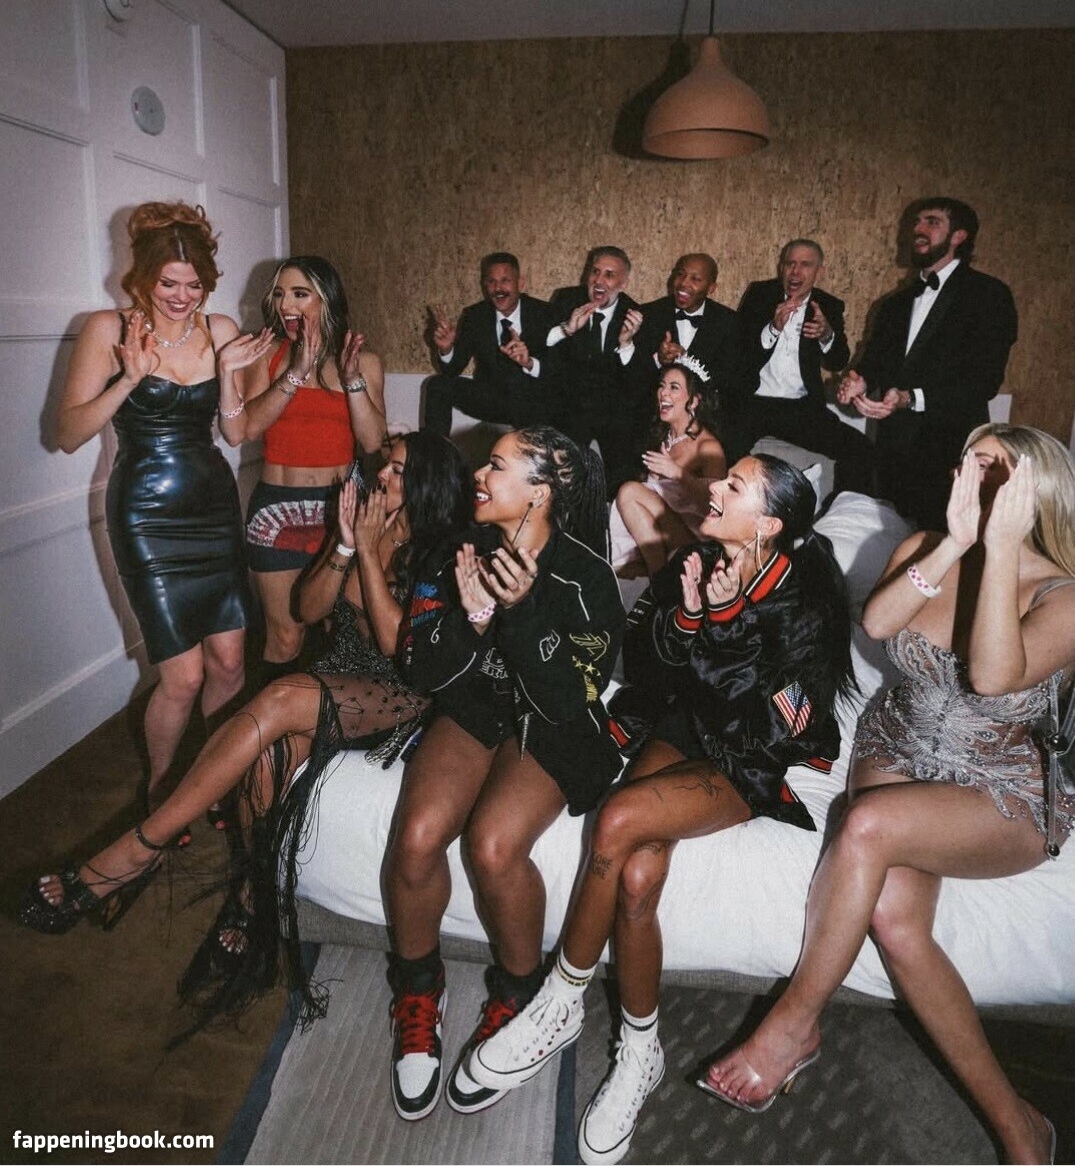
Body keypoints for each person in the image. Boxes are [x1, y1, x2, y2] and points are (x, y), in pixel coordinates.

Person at [699, 423, 1075, 1166]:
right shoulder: (925, 547)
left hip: (999, 782)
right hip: (898, 743)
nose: (974, 485)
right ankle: (1021, 1125)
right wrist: (953, 544)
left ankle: (794, 1024)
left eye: (995, 475)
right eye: (968, 469)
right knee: (896, 923)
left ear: (1037, 493)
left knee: (866, 828)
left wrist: (999, 549)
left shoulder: (1061, 596)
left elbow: (993, 676)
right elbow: (876, 622)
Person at [466, 454, 851, 1164]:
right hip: (683, 728)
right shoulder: (696, 561)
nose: (713, 488)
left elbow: (760, 725)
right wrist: (694, 614)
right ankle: (639, 1052)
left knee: (616, 820)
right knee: (638, 873)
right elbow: (652, 668)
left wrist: (722, 619)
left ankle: (560, 999)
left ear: (768, 524)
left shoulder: (808, 605)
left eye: (733, 486)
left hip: (747, 758)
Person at [20, 432, 472, 1024]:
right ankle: (252, 895)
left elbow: (397, 647)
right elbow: (307, 610)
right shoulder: (364, 520)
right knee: (266, 757)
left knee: (278, 697)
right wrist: (343, 542)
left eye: (397, 470)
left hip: (401, 692)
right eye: (386, 464)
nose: (381, 474)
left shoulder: (442, 552)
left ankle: (140, 847)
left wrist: (366, 550)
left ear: (427, 485)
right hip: (340, 676)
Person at [382, 426, 626, 1121]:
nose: (478, 476)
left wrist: (516, 614)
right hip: (476, 710)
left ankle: (520, 994)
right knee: (417, 837)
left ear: (540, 492)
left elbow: (569, 699)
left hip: (552, 725)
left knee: (492, 846)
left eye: (495, 466)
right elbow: (419, 666)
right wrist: (473, 619)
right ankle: (418, 991)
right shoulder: (456, 550)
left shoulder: (586, 578)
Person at [56, 202, 253, 814]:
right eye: (169, 283)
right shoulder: (107, 329)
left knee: (229, 663)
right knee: (183, 676)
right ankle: (162, 794)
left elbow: (236, 433)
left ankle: (212, 783)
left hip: (213, 508)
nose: (182, 297)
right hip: (146, 515)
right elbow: (68, 434)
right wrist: (127, 379)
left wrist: (229, 376)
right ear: (141, 276)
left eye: (195, 286)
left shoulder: (219, 328)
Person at [224, 255, 388, 685]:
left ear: (327, 299)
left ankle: (320, 721)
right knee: (284, 638)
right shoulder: (266, 354)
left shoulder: (365, 361)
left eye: (299, 294)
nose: (285, 305)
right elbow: (250, 426)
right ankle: (269, 725)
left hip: (339, 511)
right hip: (277, 513)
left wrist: (351, 379)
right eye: (280, 294)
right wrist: (295, 373)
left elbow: (373, 442)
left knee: (338, 630)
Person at [838, 199, 1017, 530]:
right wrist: (860, 381)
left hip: (949, 449)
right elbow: (875, 360)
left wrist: (911, 398)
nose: (919, 229)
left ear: (959, 236)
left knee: (943, 542)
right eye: (917, 222)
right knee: (893, 539)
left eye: (932, 222)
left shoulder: (989, 295)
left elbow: (984, 380)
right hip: (893, 450)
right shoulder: (894, 304)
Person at [738, 238, 870, 496]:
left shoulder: (828, 305)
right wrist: (773, 328)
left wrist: (826, 334)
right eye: (790, 264)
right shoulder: (760, 295)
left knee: (860, 449)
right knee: (721, 446)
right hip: (753, 402)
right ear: (781, 268)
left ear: (820, 272)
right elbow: (740, 353)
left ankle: (845, 513)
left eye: (805, 265)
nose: (795, 272)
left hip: (801, 407)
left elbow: (838, 361)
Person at [609, 357, 728, 576]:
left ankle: (660, 578)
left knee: (629, 491)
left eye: (674, 387)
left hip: (697, 542)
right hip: (667, 536)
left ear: (693, 402)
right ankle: (661, 573)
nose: (663, 393)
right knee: (614, 568)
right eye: (662, 386)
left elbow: (718, 509)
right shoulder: (665, 437)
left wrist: (678, 474)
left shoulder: (708, 447)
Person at [546, 247, 644, 496]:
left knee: (623, 471)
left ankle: (613, 507)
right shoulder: (567, 300)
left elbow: (637, 381)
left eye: (609, 275)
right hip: (570, 406)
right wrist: (567, 329)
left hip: (614, 412)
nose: (599, 281)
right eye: (595, 272)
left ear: (624, 283)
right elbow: (540, 350)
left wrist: (626, 345)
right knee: (560, 475)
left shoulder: (634, 314)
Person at [425, 252, 553, 435]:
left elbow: (557, 369)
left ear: (520, 283)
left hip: (532, 401)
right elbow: (451, 371)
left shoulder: (544, 314)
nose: (498, 288)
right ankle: (434, 452)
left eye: (505, 280)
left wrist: (529, 363)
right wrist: (446, 349)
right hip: (491, 399)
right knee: (437, 385)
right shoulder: (475, 316)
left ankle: (526, 447)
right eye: (491, 281)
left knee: (528, 389)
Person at [628, 253, 741, 449]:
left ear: (711, 288)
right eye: (680, 274)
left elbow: (729, 380)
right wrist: (658, 359)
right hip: (654, 421)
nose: (684, 283)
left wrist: (686, 361)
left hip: (706, 421)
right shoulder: (649, 314)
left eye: (695, 279)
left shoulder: (728, 322)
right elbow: (633, 376)